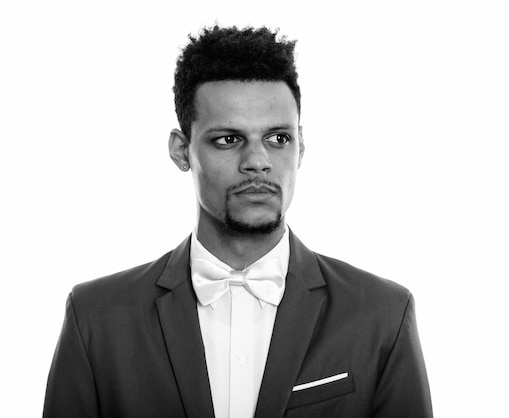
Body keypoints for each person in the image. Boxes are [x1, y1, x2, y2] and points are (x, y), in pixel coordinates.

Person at [43, 25, 432, 418]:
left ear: (301, 147)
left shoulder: (382, 314)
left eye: (278, 138)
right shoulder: (96, 318)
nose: (258, 161)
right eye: (229, 139)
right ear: (181, 151)